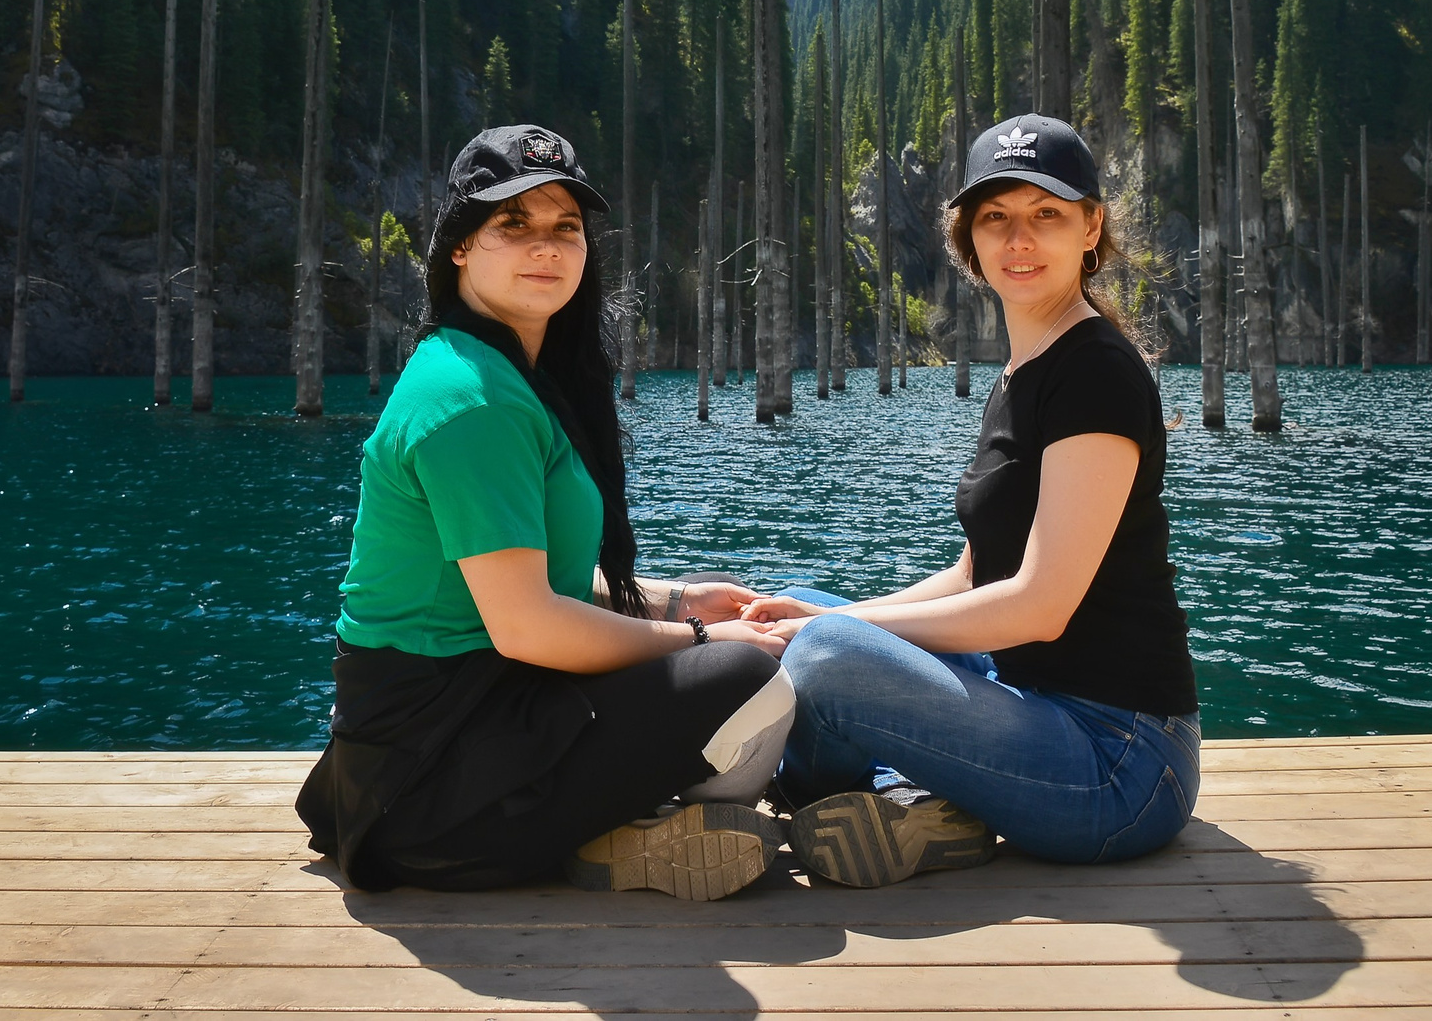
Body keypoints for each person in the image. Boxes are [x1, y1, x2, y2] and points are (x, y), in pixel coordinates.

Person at [297, 123, 794, 899]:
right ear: (460, 246)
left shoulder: (502, 375)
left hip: (460, 738)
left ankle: (640, 825)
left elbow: (529, 581)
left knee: (750, 652)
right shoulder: (471, 399)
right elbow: (527, 626)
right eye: (514, 223)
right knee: (746, 676)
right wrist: (702, 637)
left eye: (566, 227)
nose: (546, 247)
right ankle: (627, 834)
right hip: (433, 791)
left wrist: (676, 600)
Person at [743, 113, 1199, 886]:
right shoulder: (1028, 370)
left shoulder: (1096, 374)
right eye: (995, 217)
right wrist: (818, 616)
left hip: (1119, 761)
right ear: (969, 238)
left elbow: (1039, 607)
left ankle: (876, 799)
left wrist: (831, 632)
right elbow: (971, 575)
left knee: (824, 651)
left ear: (1090, 228)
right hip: (1032, 699)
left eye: (1046, 214)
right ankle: (902, 808)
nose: (1019, 240)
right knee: (797, 607)